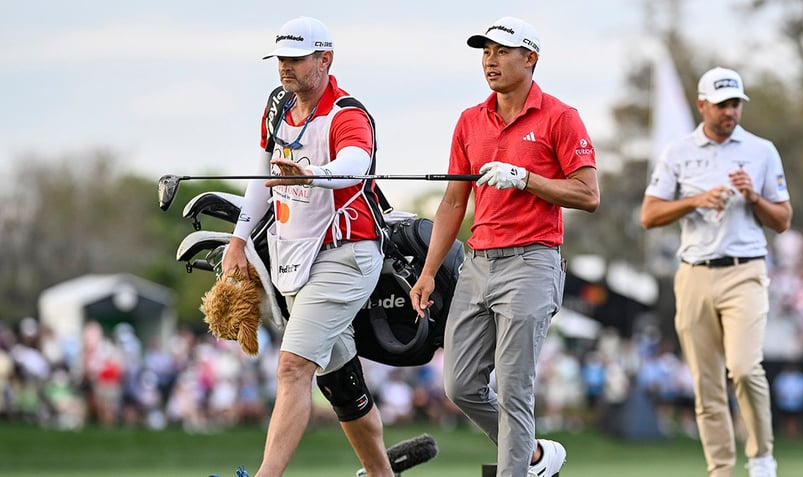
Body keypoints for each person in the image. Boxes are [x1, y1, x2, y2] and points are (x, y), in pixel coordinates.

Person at [409, 16, 599, 477]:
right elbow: (454, 202)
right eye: (485, 52)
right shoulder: (470, 121)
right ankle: (533, 455)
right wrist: (429, 271)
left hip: (532, 261)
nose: (490, 61)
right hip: (476, 264)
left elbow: (588, 194)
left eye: (501, 51)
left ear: (530, 58)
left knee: (515, 389)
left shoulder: (560, 117)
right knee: (460, 385)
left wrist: (526, 179)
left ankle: (515, 469)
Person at [221, 16, 393, 477]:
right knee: (341, 385)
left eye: (296, 59)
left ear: (325, 59)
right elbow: (262, 176)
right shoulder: (277, 104)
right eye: (280, 59)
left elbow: (355, 163)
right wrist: (239, 238)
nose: (285, 68)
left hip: (347, 254)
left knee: (293, 367)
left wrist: (314, 173)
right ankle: (382, 474)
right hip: (296, 261)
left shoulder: (347, 112)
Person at [640, 66, 792, 477]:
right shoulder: (678, 153)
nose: (731, 112)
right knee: (706, 385)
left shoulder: (762, 151)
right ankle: (720, 469)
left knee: (744, 367)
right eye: (723, 104)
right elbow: (650, 215)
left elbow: (782, 220)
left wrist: (753, 196)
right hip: (694, 273)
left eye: (736, 104)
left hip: (745, 270)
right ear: (702, 104)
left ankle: (761, 459)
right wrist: (696, 200)